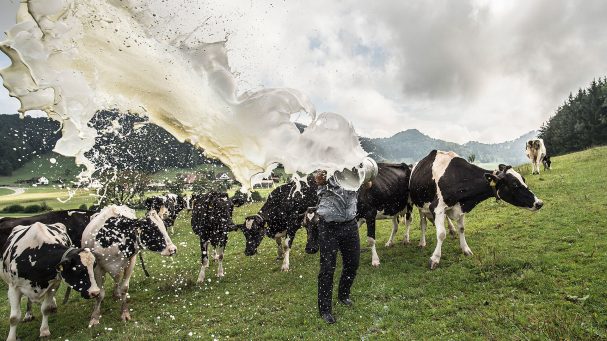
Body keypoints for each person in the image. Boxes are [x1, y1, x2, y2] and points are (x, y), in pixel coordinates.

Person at [315, 170, 372, 324]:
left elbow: (368, 184)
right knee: (327, 269)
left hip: (350, 225)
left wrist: (364, 177)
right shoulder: (326, 165)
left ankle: (343, 295)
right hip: (328, 226)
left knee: (352, 263)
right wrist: (321, 179)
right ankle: (325, 309)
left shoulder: (354, 166)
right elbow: (319, 180)